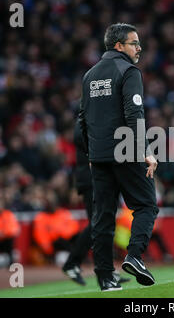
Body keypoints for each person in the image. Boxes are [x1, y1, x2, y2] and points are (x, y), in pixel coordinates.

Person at [78, 23, 159, 291]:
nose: (139, 48)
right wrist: (146, 150)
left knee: (102, 216)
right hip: (125, 150)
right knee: (146, 205)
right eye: (134, 43)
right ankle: (134, 256)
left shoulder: (89, 76)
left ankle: (105, 278)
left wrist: (91, 153)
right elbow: (134, 114)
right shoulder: (128, 70)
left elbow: (83, 119)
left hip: (99, 156)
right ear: (119, 46)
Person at [61, 121, 130, 286]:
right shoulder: (86, 121)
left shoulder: (90, 118)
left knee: (103, 222)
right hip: (93, 180)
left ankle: (106, 268)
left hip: (98, 179)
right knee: (99, 223)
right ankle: (75, 263)